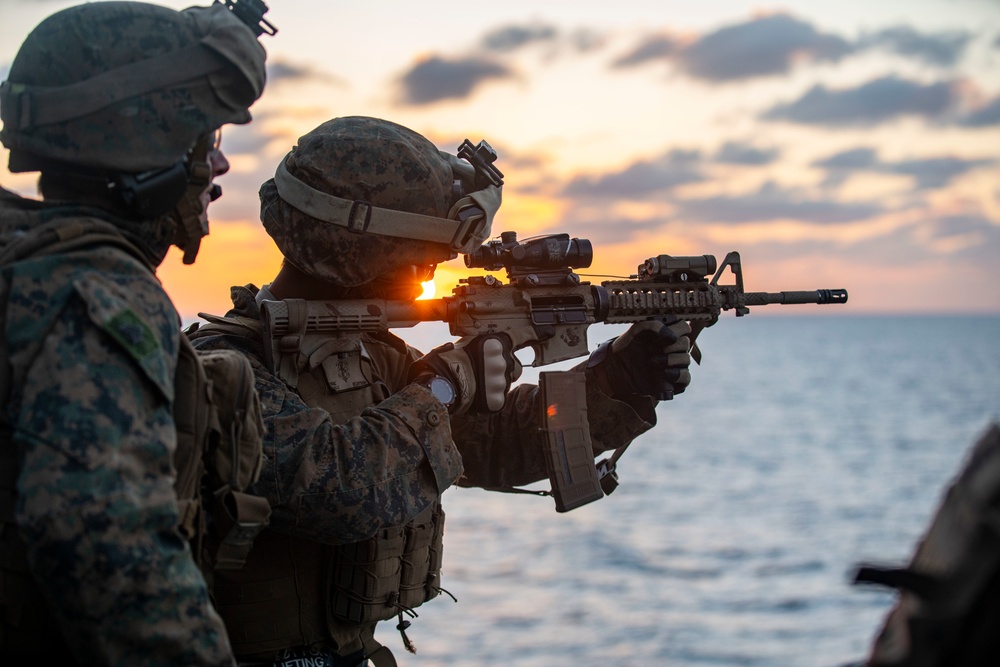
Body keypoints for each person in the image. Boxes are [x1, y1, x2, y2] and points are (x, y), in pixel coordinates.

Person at [187, 115, 693, 667]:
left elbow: (491, 447)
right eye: (419, 253)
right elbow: (335, 492)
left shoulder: (372, 356)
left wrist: (620, 380)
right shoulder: (223, 368)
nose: (430, 269)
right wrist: (446, 386)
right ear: (361, 250)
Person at [0, 2, 271, 664]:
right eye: (206, 142)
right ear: (148, 150)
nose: (220, 167)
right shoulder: (99, 296)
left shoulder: (29, 260)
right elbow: (112, 558)